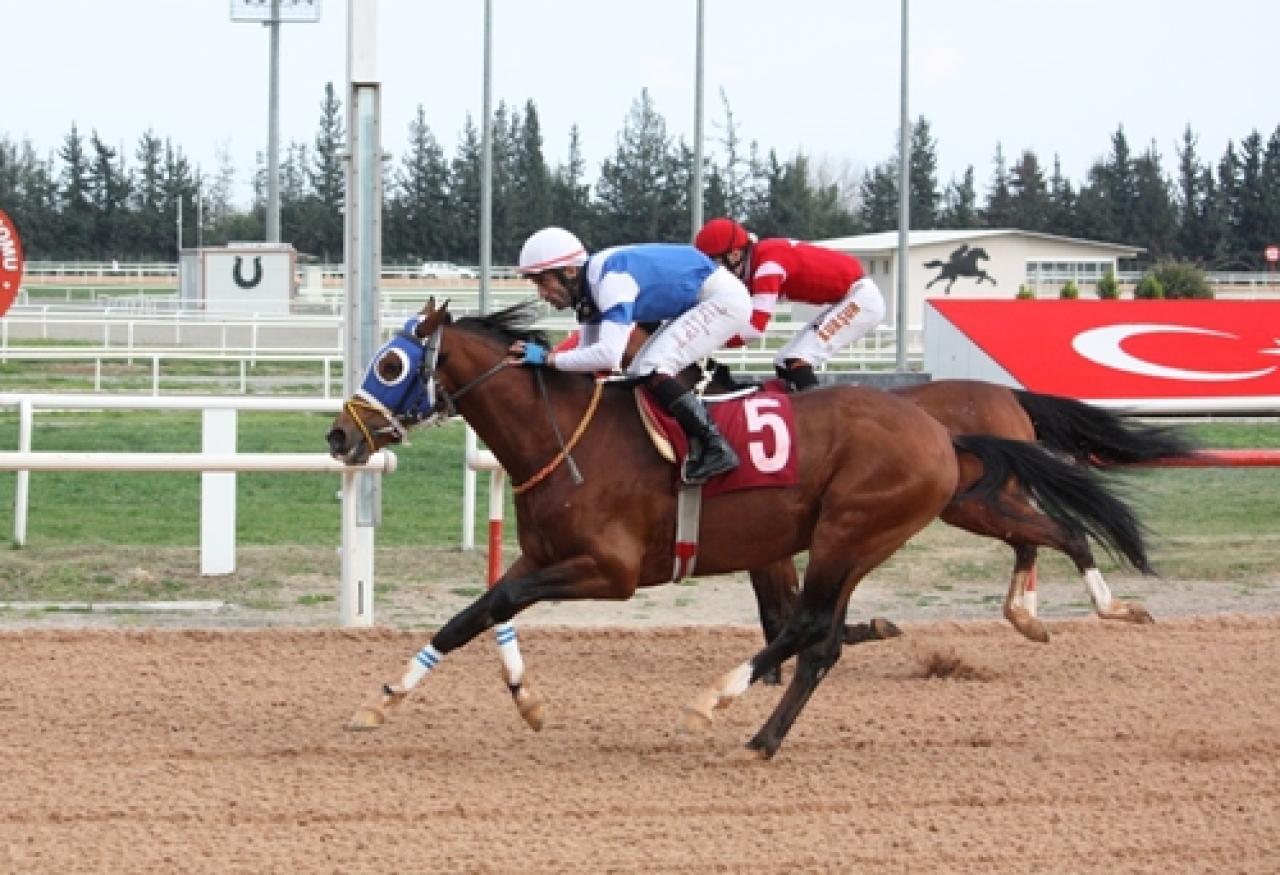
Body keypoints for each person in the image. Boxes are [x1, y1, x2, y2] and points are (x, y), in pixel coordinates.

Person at [510, 226, 751, 484]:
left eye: (543, 282)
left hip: (723, 301)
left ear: (569, 271)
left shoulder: (610, 281)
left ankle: (715, 446)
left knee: (653, 365)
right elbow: (585, 357)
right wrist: (547, 361)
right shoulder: (589, 287)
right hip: (701, 299)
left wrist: (548, 358)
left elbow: (608, 357)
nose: (542, 294)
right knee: (639, 370)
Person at [694, 217, 887, 392]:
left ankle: (818, 421)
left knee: (797, 360)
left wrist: (705, 341)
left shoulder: (767, 267)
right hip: (852, 295)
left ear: (735, 256)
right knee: (783, 362)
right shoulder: (755, 261)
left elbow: (753, 329)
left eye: (714, 264)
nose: (713, 272)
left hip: (861, 299)